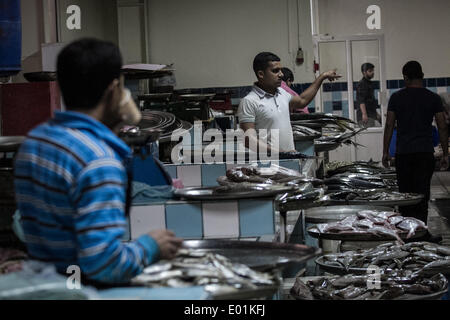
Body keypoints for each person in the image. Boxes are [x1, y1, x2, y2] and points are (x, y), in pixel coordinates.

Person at [13, 38, 183, 287]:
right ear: (115, 90)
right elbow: (105, 265)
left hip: (48, 285)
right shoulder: (98, 161)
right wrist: (150, 246)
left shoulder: (35, 143)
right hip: (83, 289)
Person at [382, 60, 449, 230]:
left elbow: (389, 125)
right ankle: (421, 233)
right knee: (422, 196)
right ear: (423, 77)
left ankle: (406, 233)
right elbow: (442, 125)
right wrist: (446, 153)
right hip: (425, 154)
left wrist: (385, 152)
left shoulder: (396, 97)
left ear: (405, 78)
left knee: (405, 197)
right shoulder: (433, 98)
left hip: (404, 154)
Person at [238, 52, 340, 153]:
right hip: (268, 165)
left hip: (289, 160)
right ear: (261, 74)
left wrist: (322, 76)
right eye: (275, 71)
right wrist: (280, 153)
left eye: (281, 70)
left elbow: (302, 101)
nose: (281, 74)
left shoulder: (281, 93)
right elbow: (248, 140)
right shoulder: (249, 101)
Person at [356, 62, 381, 127]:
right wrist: (364, 114)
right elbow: (361, 100)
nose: (372, 72)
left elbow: (370, 101)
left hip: (370, 115)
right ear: (364, 72)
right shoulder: (362, 84)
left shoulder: (369, 83)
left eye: (373, 70)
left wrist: (376, 114)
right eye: (370, 71)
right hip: (365, 117)